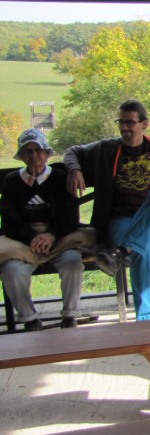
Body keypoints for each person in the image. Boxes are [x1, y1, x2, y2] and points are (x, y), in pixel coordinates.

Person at [64, 99, 150, 321]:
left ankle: (121, 251)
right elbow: (72, 151)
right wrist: (74, 169)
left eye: (130, 122)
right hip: (123, 220)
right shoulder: (107, 148)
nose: (124, 128)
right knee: (142, 246)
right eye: (121, 122)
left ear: (144, 124)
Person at [0, 129, 83, 330]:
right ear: (20, 156)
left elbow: (71, 216)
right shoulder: (12, 181)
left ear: (46, 153)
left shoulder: (61, 178)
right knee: (11, 271)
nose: (33, 155)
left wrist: (51, 235)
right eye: (27, 151)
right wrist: (33, 239)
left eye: (38, 149)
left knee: (73, 263)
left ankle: (70, 315)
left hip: (59, 239)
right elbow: (10, 219)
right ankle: (29, 319)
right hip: (23, 242)